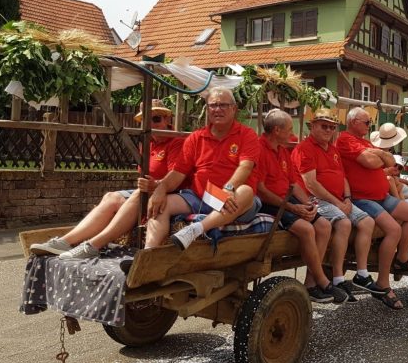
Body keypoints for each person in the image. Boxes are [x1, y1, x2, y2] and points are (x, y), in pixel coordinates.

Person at [30, 100, 185, 258]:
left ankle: (93, 244)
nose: (150, 124)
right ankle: (65, 242)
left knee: (139, 194)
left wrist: (156, 186)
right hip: (150, 190)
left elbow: (175, 178)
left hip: (172, 192)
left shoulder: (177, 141)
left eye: (156, 119)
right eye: (146, 120)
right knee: (111, 197)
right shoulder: (147, 142)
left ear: (167, 119)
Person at [145, 87, 261, 250]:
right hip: (203, 196)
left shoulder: (247, 134)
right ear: (207, 109)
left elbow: (246, 166)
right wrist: (161, 188)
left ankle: (196, 229)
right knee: (163, 204)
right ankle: (147, 254)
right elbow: (178, 172)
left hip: (234, 199)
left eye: (223, 105)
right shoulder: (196, 137)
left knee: (246, 191)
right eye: (213, 105)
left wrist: (228, 188)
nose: (217, 109)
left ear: (233, 109)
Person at [257, 109, 349, 304]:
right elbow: (261, 190)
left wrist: (308, 204)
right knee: (307, 229)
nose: (292, 133)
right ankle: (324, 281)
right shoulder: (259, 150)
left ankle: (311, 283)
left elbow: (293, 184)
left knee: (323, 225)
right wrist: (292, 207)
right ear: (276, 130)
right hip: (270, 204)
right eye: (289, 129)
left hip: (288, 201)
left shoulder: (282, 150)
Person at [336, 107, 408, 311]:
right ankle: (383, 282)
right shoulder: (345, 139)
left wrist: (378, 156)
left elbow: (386, 161)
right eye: (366, 122)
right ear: (353, 122)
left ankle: (402, 258)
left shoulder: (365, 142)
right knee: (394, 229)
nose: (369, 126)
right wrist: (380, 155)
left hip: (381, 196)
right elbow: (369, 161)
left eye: (370, 123)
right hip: (362, 197)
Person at [290, 109, 381, 301]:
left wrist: (347, 198)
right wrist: (338, 202)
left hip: (339, 199)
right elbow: (310, 184)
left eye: (332, 127)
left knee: (367, 223)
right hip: (314, 199)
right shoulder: (304, 148)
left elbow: (343, 177)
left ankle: (349, 276)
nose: (328, 130)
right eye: (324, 126)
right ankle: (317, 281)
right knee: (344, 223)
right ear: (312, 126)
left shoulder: (332, 149)